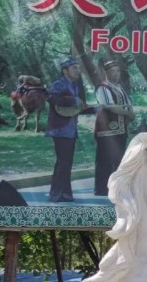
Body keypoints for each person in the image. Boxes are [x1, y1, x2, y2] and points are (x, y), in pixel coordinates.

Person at [44, 57, 88, 202]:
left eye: (78, 68)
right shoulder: (58, 84)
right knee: (63, 162)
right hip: (60, 129)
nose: (78, 70)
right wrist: (73, 100)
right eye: (74, 68)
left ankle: (65, 193)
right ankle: (56, 194)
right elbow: (53, 100)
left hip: (71, 129)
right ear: (65, 70)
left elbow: (76, 108)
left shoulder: (74, 86)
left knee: (66, 162)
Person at [93, 59, 135, 196]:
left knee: (118, 158)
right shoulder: (103, 88)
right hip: (107, 131)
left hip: (121, 129)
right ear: (106, 73)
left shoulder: (120, 88)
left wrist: (130, 114)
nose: (116, 74)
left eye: (118, 71)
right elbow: (110, 106)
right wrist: (128, 113)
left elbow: (127, 104)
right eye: (113, 71)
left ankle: (116, 187)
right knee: (105, 159)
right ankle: (101, 188)